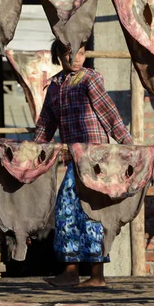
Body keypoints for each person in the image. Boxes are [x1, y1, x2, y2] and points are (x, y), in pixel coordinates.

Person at [34, 40, 133, 288]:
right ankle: (70, 271)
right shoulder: (55, 86)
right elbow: (46, 124)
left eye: (79, 53)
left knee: (93, 212)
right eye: (68, 54)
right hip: (73, 160)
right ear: (58, 55)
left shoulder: (90, 79)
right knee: (67, 210)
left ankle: (97, 275)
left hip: (95, 160)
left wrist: (127, 143)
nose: (75, 59)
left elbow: (108, 112)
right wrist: (35, 152)